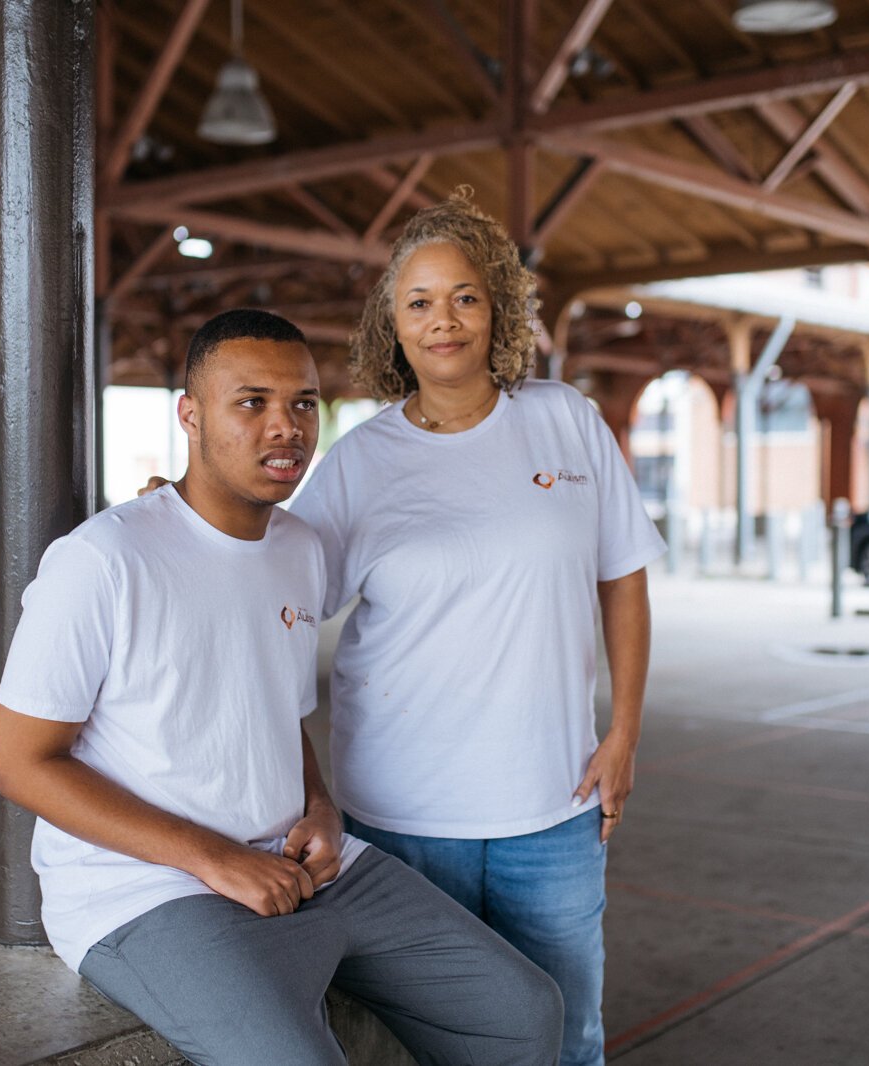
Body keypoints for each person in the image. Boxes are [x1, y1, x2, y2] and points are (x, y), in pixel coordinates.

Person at [145, 194, 663, 1065]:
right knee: (421, 1041)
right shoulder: (359, 462)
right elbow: (272, 570)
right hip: (403, 815)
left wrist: (624, 732)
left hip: (553, 806)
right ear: (392, 323)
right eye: (418, 302)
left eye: (463, 295)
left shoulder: (564, 420)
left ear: (496, 304)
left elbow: (624, 580)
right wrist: (179, 518)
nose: (442, 320)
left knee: (568, 1032)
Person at [0, 308, 563, 1066]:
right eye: (251, 402)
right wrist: (211, 857)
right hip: (145, 891)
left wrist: (320, 809)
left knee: (521, 1011)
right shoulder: (103, 560)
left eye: (302, 403)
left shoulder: (298, 548)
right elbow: (22, 762)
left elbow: (275, 713)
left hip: (302, 868)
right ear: (190, 415)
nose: (285, 426)